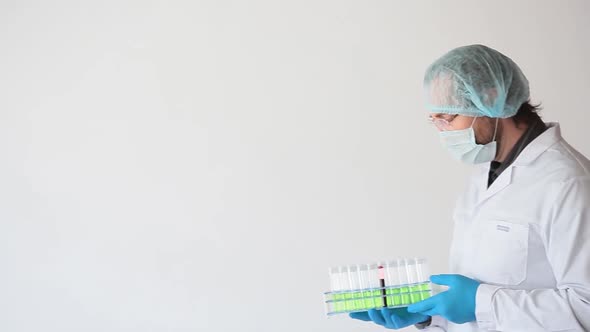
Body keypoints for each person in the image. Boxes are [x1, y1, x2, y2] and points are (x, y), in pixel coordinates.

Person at [349, 44, 590, 331]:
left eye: (448, 118)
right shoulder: (484, 173)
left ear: (491, 100)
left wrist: (481, 303)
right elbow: (477, 287)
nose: (442, 131)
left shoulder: (568, 183)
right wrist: (428, 312)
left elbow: (584, 307)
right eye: (434, 120)